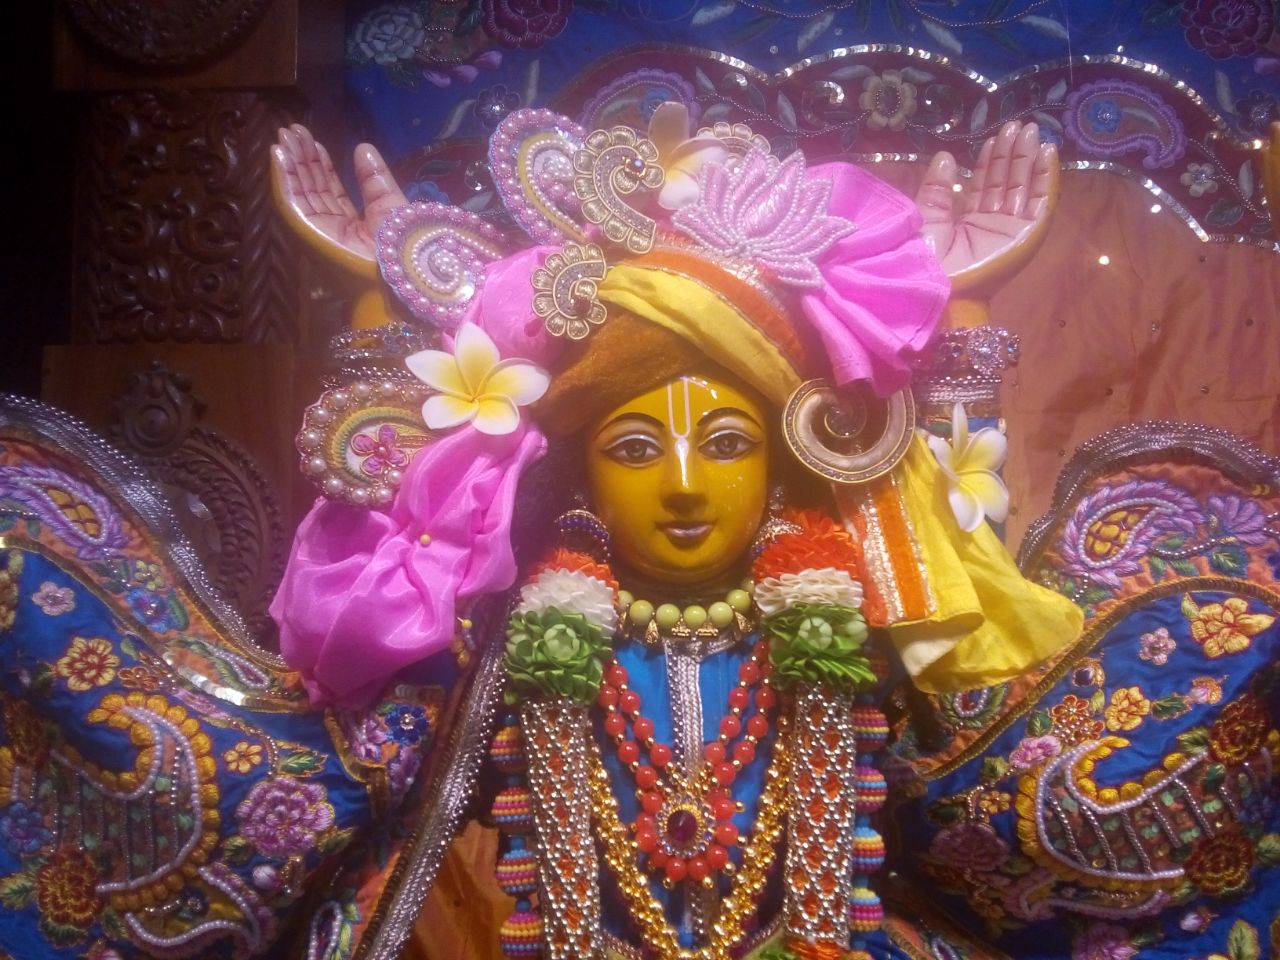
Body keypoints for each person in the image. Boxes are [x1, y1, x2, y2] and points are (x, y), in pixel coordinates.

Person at [269, 106, 1093, 958]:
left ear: (781, 457)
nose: (687, 487)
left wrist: (961, 304)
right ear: (582, 470)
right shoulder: (509, 630)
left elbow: (962, 558)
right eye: (634, 450)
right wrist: (373, 301)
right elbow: (375, 645)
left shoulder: (851, 606)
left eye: (729, 444)